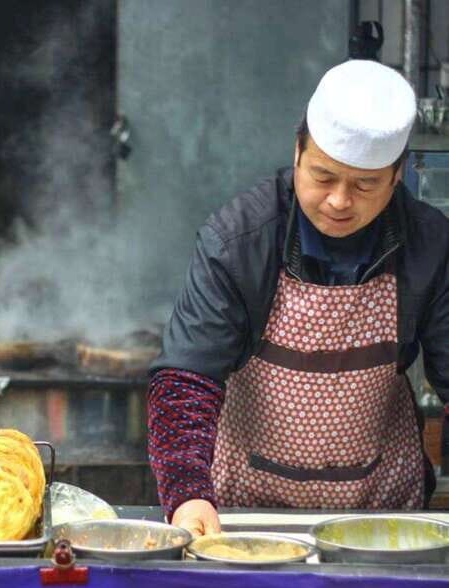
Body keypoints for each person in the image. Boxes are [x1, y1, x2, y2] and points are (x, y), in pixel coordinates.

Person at [148, 60, 449, 536]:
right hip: (246, 516)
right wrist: (187, 495)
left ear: (397, 177)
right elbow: (187, 379)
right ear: (297, 151)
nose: (338, 201)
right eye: (323, 176)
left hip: (383, 518)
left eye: (365, 184)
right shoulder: (238, 240)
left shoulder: (431, 243)